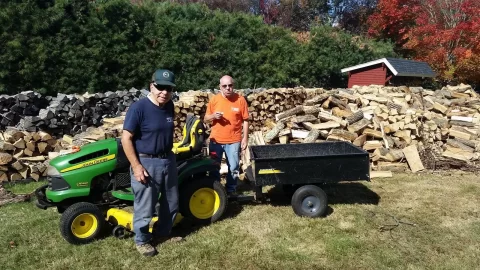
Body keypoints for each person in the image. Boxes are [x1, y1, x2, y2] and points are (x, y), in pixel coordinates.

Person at [121, 69, 181, 257]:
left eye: (168, 89)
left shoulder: (169, 105)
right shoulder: (138, 108)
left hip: (168, 159)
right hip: (146, 162)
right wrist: (137, 166)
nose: (164, 92)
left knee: (171, 202)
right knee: (145, 205)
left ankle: (163, 233)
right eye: (160, 87)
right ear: (151, 86)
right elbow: (126, 138)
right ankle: (142, 240)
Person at [204, 75, 249, 196]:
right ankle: (216, 190)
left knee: (234, 167)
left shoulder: (240, 100)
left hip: (234, 140)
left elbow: (246, 120)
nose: (228, 88)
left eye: (230, 85)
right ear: (220, 87)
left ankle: (231, 189)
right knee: (214, 167)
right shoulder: (214, 100)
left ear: (233, 85)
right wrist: (214, 116)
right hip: (216, 141)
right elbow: (206, 118)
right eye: (224, 86)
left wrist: (245, 138)